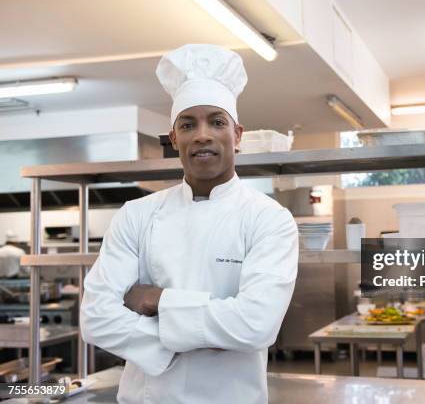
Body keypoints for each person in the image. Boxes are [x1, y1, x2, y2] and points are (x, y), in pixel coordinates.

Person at [80, 44, 299, 404]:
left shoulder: (269, 218)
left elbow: (256, 325)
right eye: (187, 124)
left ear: (238, 135)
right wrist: (188, 338)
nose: (202, 135)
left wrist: (157, 300)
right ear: (173, 139)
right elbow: (95, 318)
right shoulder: (137, 214)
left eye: (216, 121)